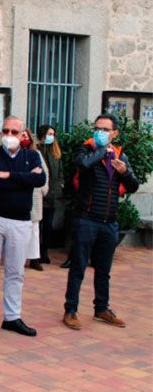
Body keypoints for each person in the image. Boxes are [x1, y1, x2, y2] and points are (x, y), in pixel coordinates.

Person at [0, 116, 46, 337]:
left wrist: (10, 176)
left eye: (14, 132)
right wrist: (23, 180)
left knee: (15, 271)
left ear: (23, 135)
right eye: (6, 131)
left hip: (20, 221)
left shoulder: (31, 156)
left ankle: (12, 316)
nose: (9, 136)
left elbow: (39, 181)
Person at [62, 114, 139, 330]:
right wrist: (101, 151)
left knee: (104, 269)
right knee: (78, 267)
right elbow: (82, 164)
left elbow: (133, 185)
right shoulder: (86, 150)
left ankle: (102, 308)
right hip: (86, 219)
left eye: (105, 129)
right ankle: (70, 309)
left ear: (115, 133)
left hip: (109, 222)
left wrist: (124, 173)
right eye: (97, 128)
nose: (100, 133)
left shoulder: (120, 156)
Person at [20, 129, 49, 271]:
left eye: (26, 135)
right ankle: (20, 257)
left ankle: (34, 258)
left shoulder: (35, 154)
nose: (24, 138)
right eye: (22, 135)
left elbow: (44, 172)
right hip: (19, 194)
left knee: (34, 228)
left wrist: (43, 189)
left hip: (34, 194)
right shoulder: (14, 154)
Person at [36, 124, 63, 264]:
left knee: (48, 225)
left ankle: (44, 251)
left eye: (53, 134)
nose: (51, 137)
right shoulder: (37, 150)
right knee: (37, 226)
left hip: (53, 195)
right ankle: (36, 253)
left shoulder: (55, 152)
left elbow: (60, 172)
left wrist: (60, 185)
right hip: (41, 194)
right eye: (49, 134)